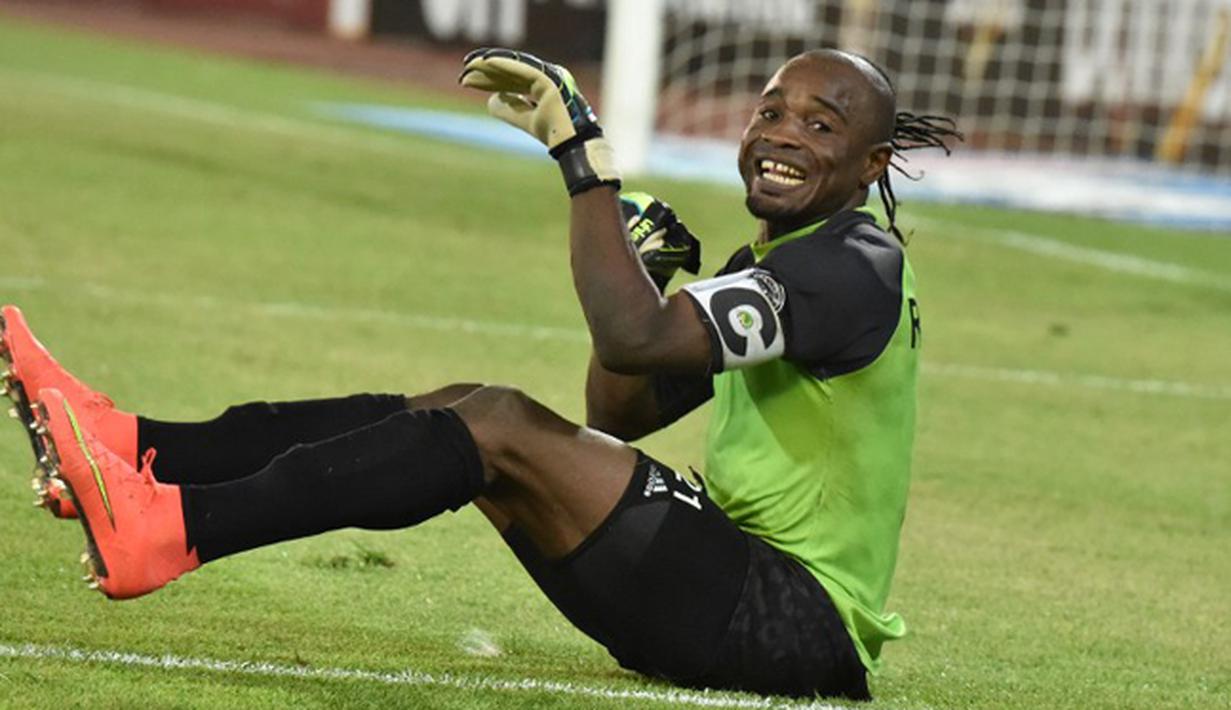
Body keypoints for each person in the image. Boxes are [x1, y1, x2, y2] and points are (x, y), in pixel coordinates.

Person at [0, 48, 959, 700]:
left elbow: (632, 341)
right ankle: (139, 451)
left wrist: (583, 161)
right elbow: (618, 410)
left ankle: (171, 529)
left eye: (821, 125)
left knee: (495, 422)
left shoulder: (854, 267)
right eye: (771, 111)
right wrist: (650, 272)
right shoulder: (791, 264)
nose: (783, 133)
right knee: (460, 410)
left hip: (791, 621)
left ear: (870, 161)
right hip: (728, 591)